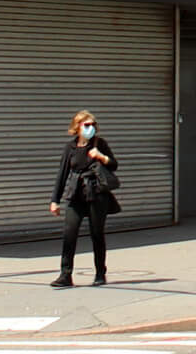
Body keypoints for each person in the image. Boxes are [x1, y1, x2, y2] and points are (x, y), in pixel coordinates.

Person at [49, 110, 119, 288]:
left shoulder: (99, 144)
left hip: (96, 193)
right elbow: (62, 174)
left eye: (93, 125)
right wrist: (55, 200)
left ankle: (100, 273)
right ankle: (65, 275)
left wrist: (101, 156)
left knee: (97, 234)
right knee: (69, 234)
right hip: (75, 194)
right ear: (77, 127)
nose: (91, 128)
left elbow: (114, 165)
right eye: (87, 125)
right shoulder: (70, 147)